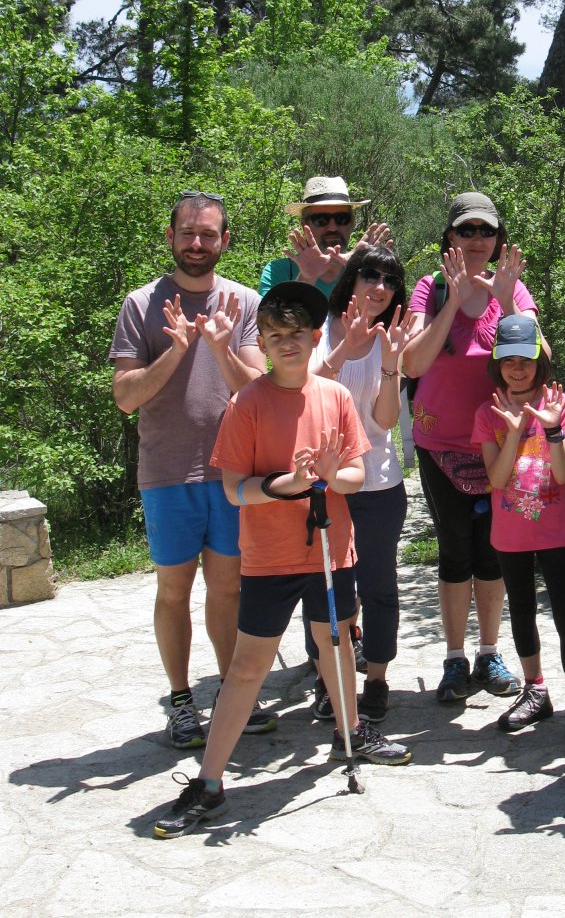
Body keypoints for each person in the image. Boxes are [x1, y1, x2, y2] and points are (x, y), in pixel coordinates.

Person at [151, 281, 410, 840]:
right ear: (262, 344)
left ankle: (351, 733)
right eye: (275, 336)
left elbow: (355, 476)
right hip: (269, 558)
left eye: (296, 335)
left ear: (316, 338)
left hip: (331, 551)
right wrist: (288, 484)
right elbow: (234, 490)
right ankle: (210, 782)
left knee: (336, 645)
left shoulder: (336, 397)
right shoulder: (245, 404)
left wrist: (326, 476)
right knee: (247, 668)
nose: (287, 344)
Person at [110, 192, 268, 750]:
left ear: (225, 240)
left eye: (208, 234)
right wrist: (177, 350)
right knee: (173, 591)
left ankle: (230, 695)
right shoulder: (140, 305)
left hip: (229, 474)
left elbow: (257, 389)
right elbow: (126, 397)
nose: (196, 243)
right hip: (168, 471)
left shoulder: (244, 302)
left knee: (227, 591)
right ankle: (181, 702)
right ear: (172, 236)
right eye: (187, 233)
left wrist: (219, 345)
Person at [402, 192, 535, 704]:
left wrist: (503, 299)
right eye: (466, 231)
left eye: (486, 231)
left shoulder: (513, 288)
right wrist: (453, 303)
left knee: (493, 552)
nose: (477, 240)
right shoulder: (428, 290)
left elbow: (537, 358)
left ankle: (489, 651)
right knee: (455, 553)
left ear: (499, 240)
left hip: (498, 445)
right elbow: (413, 363)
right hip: (439, 445)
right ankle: (455, 658)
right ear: (450, 239)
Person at [471, 314, 565, 741]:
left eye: (525, 359)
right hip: (511, 536)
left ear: (539, 360)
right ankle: (535, 690)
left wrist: (553, 428)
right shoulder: (488, 412)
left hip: (555, 532)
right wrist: (512, 429)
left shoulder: (559, 405)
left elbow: (562, 476)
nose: (518, 369)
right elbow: (496, 480)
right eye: (509, 361)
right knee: (522, 611)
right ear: (497, 364)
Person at [306, 244, 415, 724]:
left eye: (389, 281)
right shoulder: (321, 331)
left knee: (378, 587)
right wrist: (344, 348)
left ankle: (376, 679)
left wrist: (391, 364)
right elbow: (305, 397)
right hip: (326, 482)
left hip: (378, 483)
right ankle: (332, 679)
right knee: (331, 589)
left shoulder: (393, 340)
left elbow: (385, 420)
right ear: (350, 278)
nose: (379, 287)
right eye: (369, 275)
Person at [259, 175, 386, 299]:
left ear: (352, 223)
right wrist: (306, 278)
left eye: (341, 219)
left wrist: (360, 269)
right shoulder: (280, 271)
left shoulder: (375, 274)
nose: (332, 228)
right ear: (304, 225)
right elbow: (268, 320)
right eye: (321, 220)